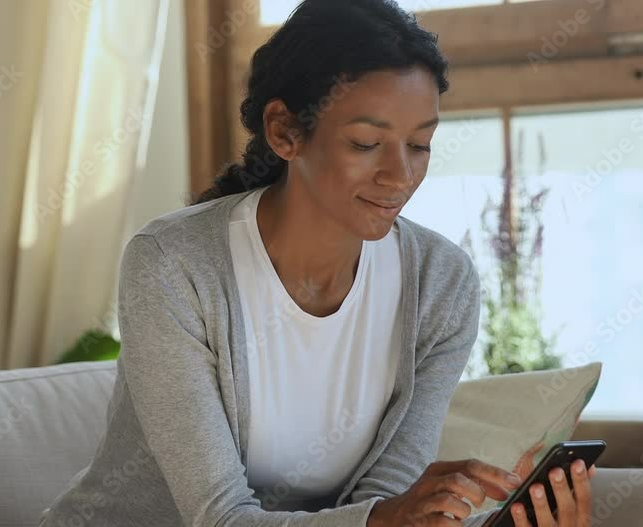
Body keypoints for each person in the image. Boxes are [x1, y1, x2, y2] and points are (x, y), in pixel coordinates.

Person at [40, 1, 595, 525]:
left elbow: (380, 503)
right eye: (366, 144)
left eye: (419, 145)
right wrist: (386, 517)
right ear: (284, 131)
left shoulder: (440, 284)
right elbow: (221, 518)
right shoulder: (173, 264)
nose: (400, 175)